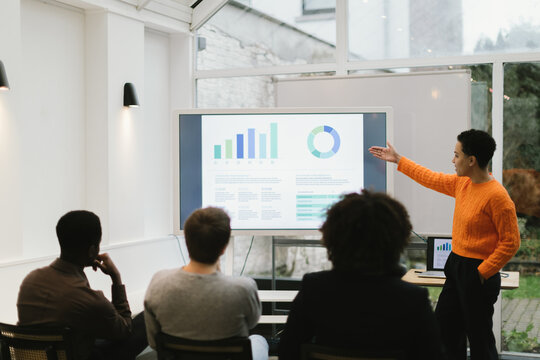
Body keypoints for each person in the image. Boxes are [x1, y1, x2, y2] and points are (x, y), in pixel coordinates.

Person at [369, 129, 520, 360]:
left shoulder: (498, 197)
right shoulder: (463, 184)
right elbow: (430, 177)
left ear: (472, 160)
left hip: (478, 273)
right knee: (445, 333)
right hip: (456, 266)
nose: (453, 160)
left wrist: (483, 272)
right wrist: (399, 160)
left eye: (456, 155)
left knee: (480, 341)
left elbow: (511, 242)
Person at [278, 190, 445, 360]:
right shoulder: (414, 300)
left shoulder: (314, 289)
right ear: (398, 241)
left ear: (332, 239)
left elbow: (287, 352)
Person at [17, 210, 148, 360]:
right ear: (92, 250)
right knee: (147, 318)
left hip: (48, 353)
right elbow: (124, 330)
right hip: (78, 354)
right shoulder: (90, 300)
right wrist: (116, 279)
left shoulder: (30, 280)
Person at [144, 206, 268, 360]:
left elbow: (155, 343)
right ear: (223, 248)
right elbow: (251, 323)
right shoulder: (243, 288)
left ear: (187, 241)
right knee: (258, 340)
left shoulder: (159, 283)